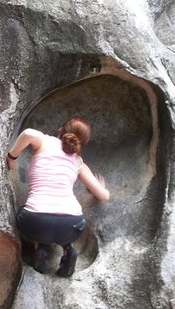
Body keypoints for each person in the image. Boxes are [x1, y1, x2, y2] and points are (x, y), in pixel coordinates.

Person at [6, 115, 110, 277]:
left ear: (61, 129)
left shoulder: (44, 141)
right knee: (61, 229)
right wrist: (102, 188)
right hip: (72, 224)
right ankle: (67, 249)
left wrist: (11, 157)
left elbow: (27, 134)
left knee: (23, 215)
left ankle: (38, 248)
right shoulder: (78, 162)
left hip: (36, 221)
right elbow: (103, 196)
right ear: (82, 142)